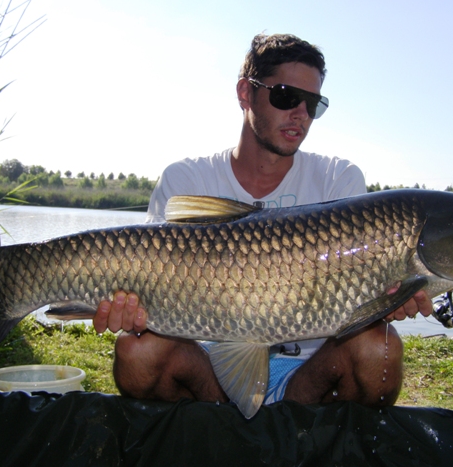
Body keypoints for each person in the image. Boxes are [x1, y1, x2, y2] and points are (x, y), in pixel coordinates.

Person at [93, 34, 432, 408]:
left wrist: (389, 300)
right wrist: (133, 307)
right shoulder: (186, 179)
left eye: (312, 103)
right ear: (246, 93)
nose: (300, 114)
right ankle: (226, 432)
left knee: (381, 349)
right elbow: (149, 278)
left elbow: (366, 301)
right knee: (135, 351)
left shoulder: (339, 180)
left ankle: (300, 436)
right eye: (286, 96)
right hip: (208, 365)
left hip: (312, 370)